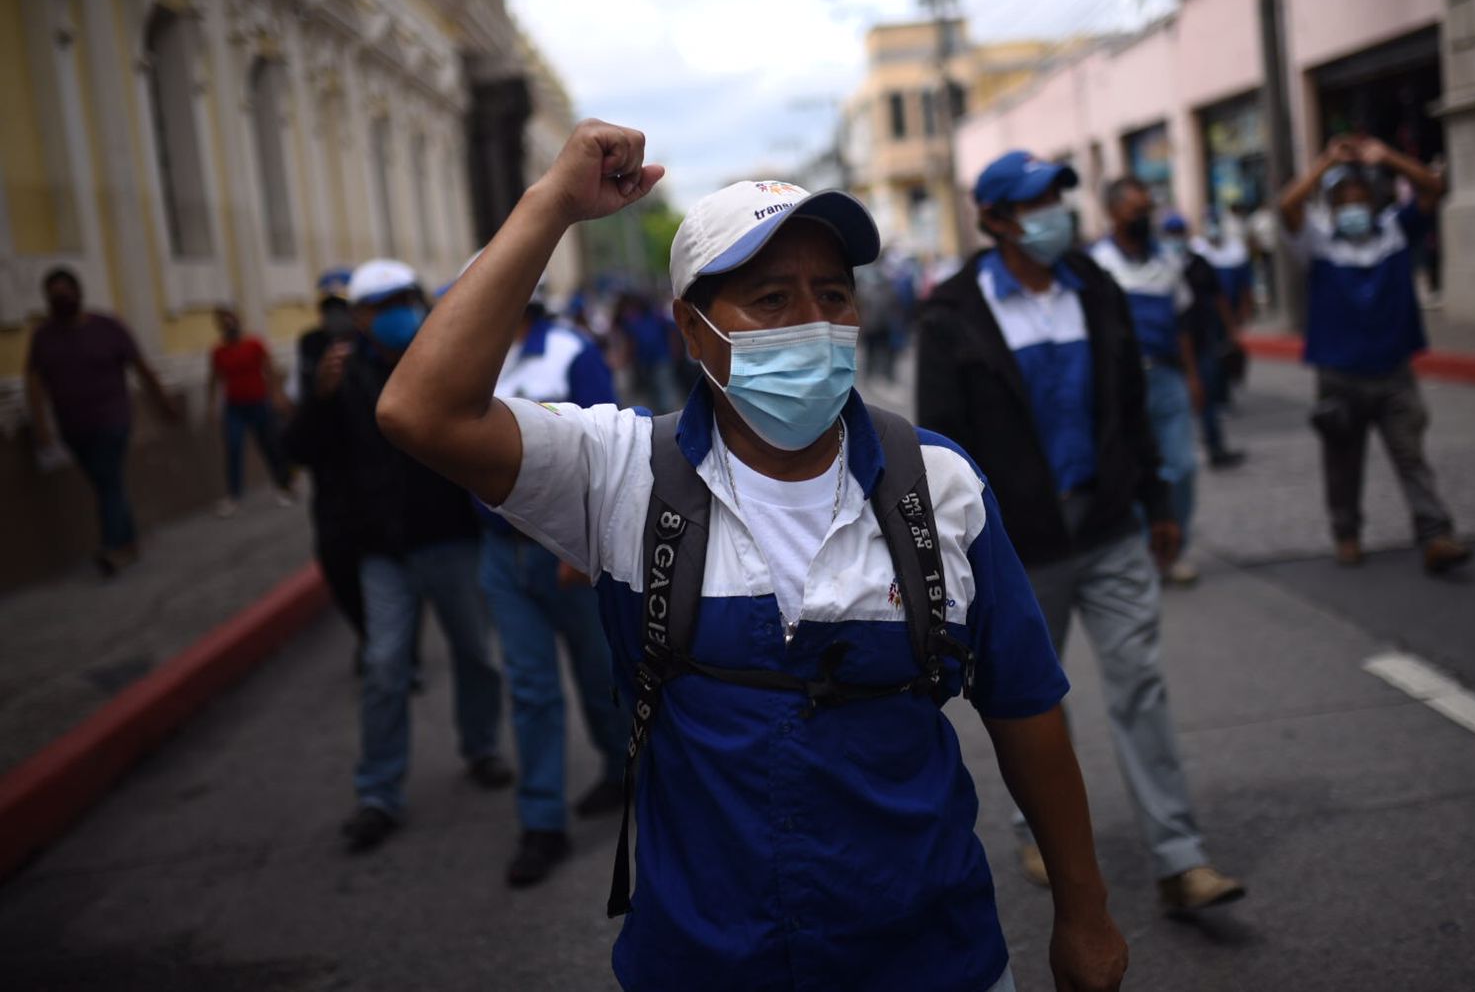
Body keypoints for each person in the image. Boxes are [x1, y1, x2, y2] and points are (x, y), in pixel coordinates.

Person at [376, 120, 1127, 992]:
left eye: (834, 296)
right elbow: (421, 412)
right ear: (693, 334)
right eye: (771, 301)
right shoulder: (621, 477)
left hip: (934, 958)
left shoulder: (940, 485)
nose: (814, 325)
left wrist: (1086, 911)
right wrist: (550, 206)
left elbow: (1026, 707)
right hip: (704, 966)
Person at [918, 150, 1246, 919]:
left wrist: (1158, 500)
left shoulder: (1092, 287)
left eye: (1060, 196)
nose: (1056, 212)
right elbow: (939, 444)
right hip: (1018, 550)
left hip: (1107, 529)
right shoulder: (953, 313)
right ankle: (1037, 825)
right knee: (1033, 701)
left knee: (1141, 684)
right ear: (995, 220)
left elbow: (1129, 406)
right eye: (1036, 202)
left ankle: (1180, 857)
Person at [282, 258, 512, 854]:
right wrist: (322, 397)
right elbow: (299, 451)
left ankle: (481, 747)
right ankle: (378, 792)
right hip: (382, 548)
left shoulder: (439, 358)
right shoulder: (339, 373)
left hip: (450, 537)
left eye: (404, 301)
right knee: (385, 666)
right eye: (382, 307)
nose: (397, 315)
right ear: (359, 317)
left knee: (476, 654)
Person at [479, 291, 631, 887]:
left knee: (600, 674)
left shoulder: (570, 352)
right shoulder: (479, 357)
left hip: (563, 550)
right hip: (500, 555)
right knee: (531, 687)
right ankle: (542, 822)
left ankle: (627, 772)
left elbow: (608, 452)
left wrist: (587, 541)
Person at [1278, 135, 1473, 574]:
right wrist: (1326, 160)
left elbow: (1433, 190)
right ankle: (1346, 533)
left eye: (1360, 197)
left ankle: (1435, 534)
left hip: (1394, 371)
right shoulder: (1318, 241)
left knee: (1411, 457)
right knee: (1343, 464)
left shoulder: (1395, 232)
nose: (1353, 206)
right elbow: (1287, 206)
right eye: (1343, 199)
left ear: (1374, 200)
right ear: (1331, 206)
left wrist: (1387, 158)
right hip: (1339, 376)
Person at [25, 268, 180, 575]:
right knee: (106, 483)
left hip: (113, 420)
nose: (61, 298)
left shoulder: (107, 327)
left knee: (108, 479)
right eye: (55, 294)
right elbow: (34, 382)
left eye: (66, 291)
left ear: (78, 294)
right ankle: (130, 541)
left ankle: (112, 548)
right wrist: (41, 427)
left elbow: (141, 367)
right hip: (73, 428)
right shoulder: (44, 338)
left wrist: (163, 403)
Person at [1091, 177, 1206, 586]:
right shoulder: (1097, 264)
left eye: (1146, 210)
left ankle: (1174, 547)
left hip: (1166, 376)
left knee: (1183, 466)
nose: (1142, 218)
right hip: (1122, 385)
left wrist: (1192, 376)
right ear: (1112, 212)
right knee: (1132, 471)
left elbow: (1182, 326)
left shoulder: (1166, 261)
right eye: (1134, 210)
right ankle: (1143, 552)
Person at [1162, 214, 1246, 470]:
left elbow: (1219, 297)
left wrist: (1232, 330)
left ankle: (1215, 446)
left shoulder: (1199, 263)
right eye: (1171, 233)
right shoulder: (1161, 265)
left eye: (1179, 233)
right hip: (1169, 349)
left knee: (1205, 393)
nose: (1176, 238)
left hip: (1201, 340)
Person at [208, 307, 294, 517]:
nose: (229, 325)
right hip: (235, 408)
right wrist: (213, 404)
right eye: (224, 322)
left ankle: (284, 487)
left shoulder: (254, 344)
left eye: (231, 320)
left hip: (259, 403)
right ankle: (234, 496)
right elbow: (215, 379)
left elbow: (269, 369)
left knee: (270, 446)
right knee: (234, 448)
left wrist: (277, 395)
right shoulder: (218, 352)